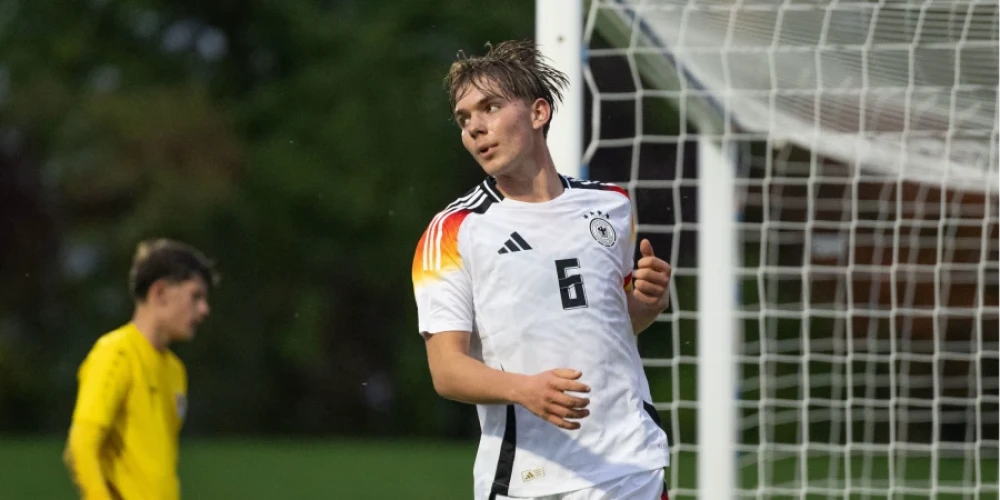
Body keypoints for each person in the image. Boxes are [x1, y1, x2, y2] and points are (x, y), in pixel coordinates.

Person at [411, 40, 673, 500]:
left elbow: (605, 325)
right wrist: (524, 390)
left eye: (490, 107)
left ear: (538, 112)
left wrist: (649, 303)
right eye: (464, 118)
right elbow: (447, 371)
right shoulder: (454, 230)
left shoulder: (612, 205)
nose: (475, 127)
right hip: (531, 481)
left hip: (631, 467)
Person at [64, 239, 217, 500]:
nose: (204, 310)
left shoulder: (174, 370)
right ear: (160, 293)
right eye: (195, 296)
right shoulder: (116, 353)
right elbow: (81, 446)